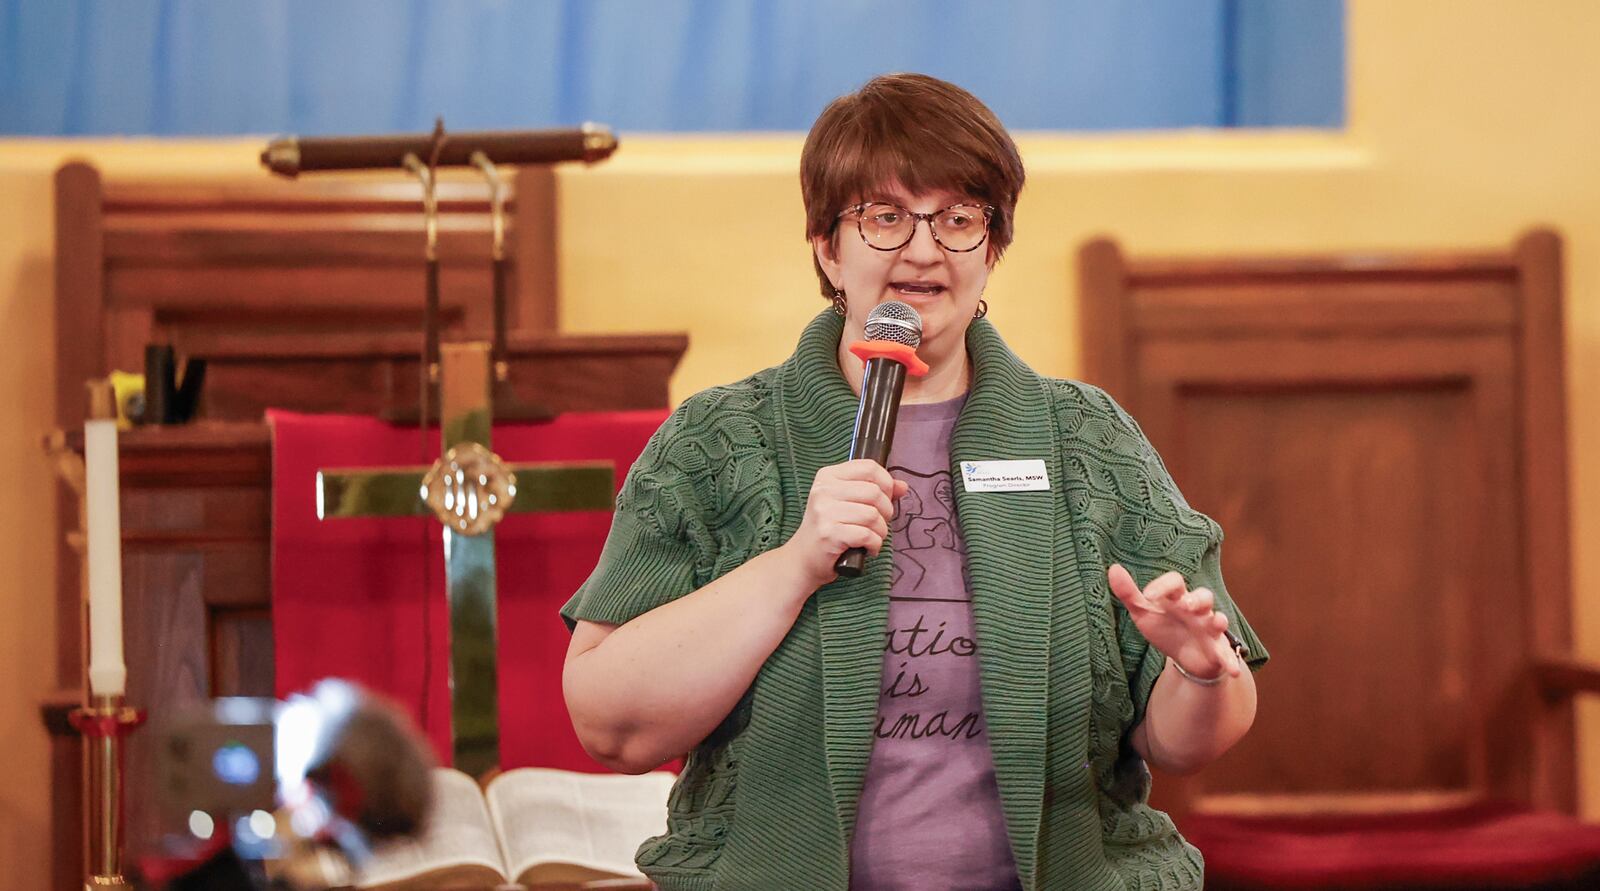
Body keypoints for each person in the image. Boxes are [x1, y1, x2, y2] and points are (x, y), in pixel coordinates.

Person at [561, 73, 1267, 891]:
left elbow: (1186, 742)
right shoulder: (717, 441)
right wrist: (793, 564)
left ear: (994, 246)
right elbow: (609, 725)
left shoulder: (1088, 439)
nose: (925, 250)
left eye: (960, 218)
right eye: (885, 216)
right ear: (828, 245)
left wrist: (1200, 670)